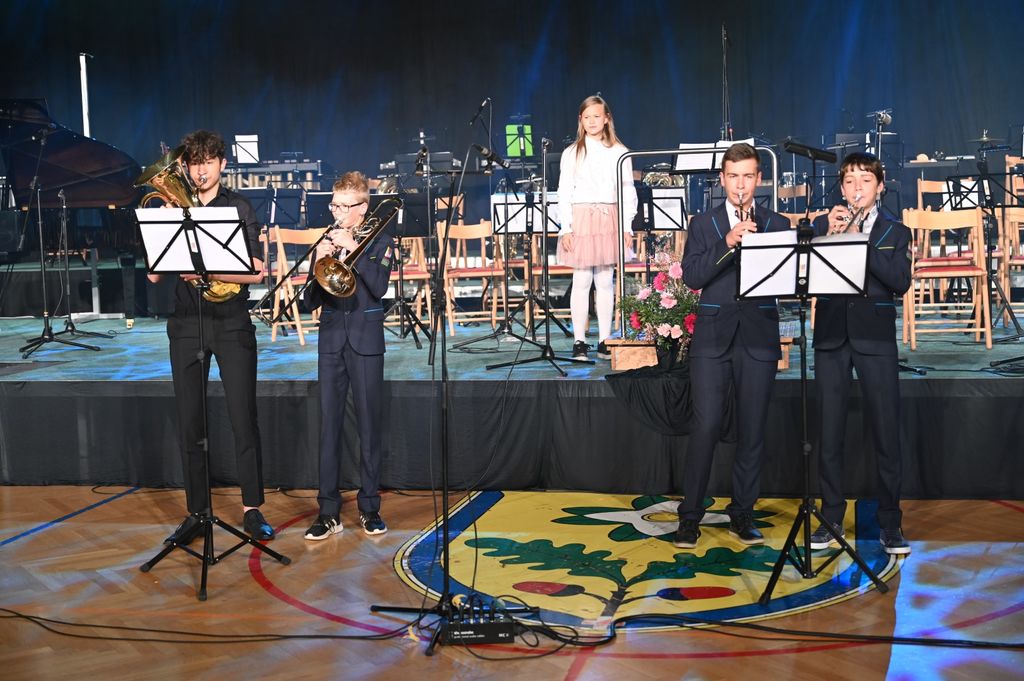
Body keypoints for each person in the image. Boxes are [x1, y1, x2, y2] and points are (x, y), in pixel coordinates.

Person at [147, 130, 274, 544]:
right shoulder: (170, 208)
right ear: (184, 166)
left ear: (222, 164)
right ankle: (197, 512)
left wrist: (209, 271)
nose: (201, 170)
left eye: (208, 162)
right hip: (187, 322)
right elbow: (154, 275)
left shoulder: (238, 206)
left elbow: (256, 271)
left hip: (231, 320)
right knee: (190, 422)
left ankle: (252, 508)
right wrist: (163, 225)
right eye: (194, 163)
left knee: (243, 417)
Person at [675, 142, 789, 549]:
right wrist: (727, 241)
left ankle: (742, 512)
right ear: (722, 180)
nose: (741, 185)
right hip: (713, 337)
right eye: (734, 177)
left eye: (748, 177)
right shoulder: (703, 223)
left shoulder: (776, 222)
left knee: (753, 429)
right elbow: (693, 276)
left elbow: (786, 279)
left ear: (759, 179)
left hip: (758, 334)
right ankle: (690, 516)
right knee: (705, 425)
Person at [809, 152, 912, 555]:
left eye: (865, 181)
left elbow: (898, 281)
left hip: (875, 337)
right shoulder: (824, 226)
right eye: (849, 181)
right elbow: (805, 275)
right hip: (832, 335)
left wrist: (859, 241)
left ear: (879, 187)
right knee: (829, 432)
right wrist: (825, 235)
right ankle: (830, 516)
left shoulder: (895, 231)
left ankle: (890, 522)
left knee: (886, 430)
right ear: (841, 187)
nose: (856, 188)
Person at [303, 171, 392, 540]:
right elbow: (309, 301)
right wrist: (317, 263)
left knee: (369, 426)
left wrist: (353, 246)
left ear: (362, 208)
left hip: (365, 339)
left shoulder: (380, 239)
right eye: (334, 205)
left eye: (344, 206)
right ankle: (328, 511)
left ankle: (369, 507)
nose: (337, 213)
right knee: (329, 427)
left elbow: (380, 286)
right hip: (331, 340)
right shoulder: (326, 240)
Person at [556, 95, 637, 361]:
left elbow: (627, 191)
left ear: (606, 119)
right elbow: (564, 191)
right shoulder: (572, 152)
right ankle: (579, 341)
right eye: (587, 117)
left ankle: (604, 339)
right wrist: (565, 228)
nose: (592, 122)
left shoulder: (620, 151)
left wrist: (626, 226)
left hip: (608, 216)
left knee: (604, 280)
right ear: (580, 120)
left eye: (597, 116)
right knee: (581, 280)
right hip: (581, 217)